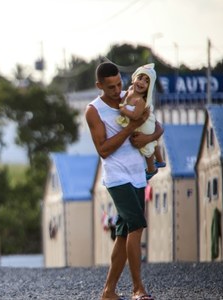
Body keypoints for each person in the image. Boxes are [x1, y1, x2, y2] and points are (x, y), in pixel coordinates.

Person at [85, 61, 163, 300]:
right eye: (111, 87)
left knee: (123, 232)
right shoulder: (93, 110)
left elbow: (157, 125)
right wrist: (132, 128)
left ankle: (108, 291)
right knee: (137, 225)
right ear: (99, 85)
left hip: (138, 175)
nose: (117, 89)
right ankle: (138, 288)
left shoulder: (131, 97)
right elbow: (104, 150)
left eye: (119, 83)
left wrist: (147, 136)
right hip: (117, 178)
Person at [116, 63, 166, 179]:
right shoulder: (128, 92)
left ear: (150, 86)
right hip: (144, 125)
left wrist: (123, 109)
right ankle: (159, 160)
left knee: (147, 149)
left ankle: (151, 169)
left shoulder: (140, 101)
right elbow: (124, 101)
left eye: (147, 81)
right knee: (152, 144)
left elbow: (135, 115)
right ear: (134, 79)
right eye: (140, 78)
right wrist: (122, 106)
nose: (142, 82)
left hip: (145, 126)